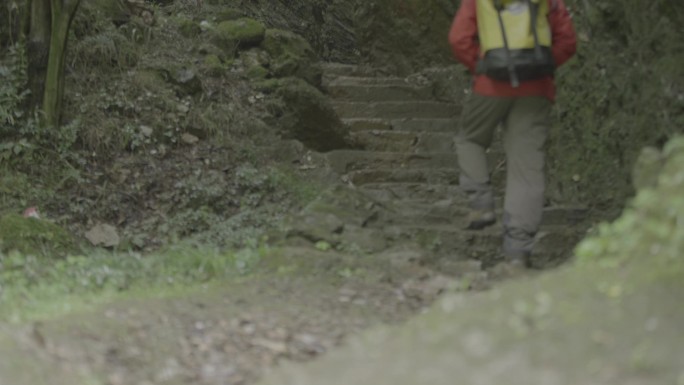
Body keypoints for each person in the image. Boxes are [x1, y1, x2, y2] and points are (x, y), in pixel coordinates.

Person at [448, 0, 577, 266]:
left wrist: (483, 66)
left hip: (491, 85)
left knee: (469, 138)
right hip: (536, 88)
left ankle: (481, 204)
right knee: (527, 166)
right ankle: (518, 252)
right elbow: (567, 41)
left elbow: (459, 38)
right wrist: (541, 66)